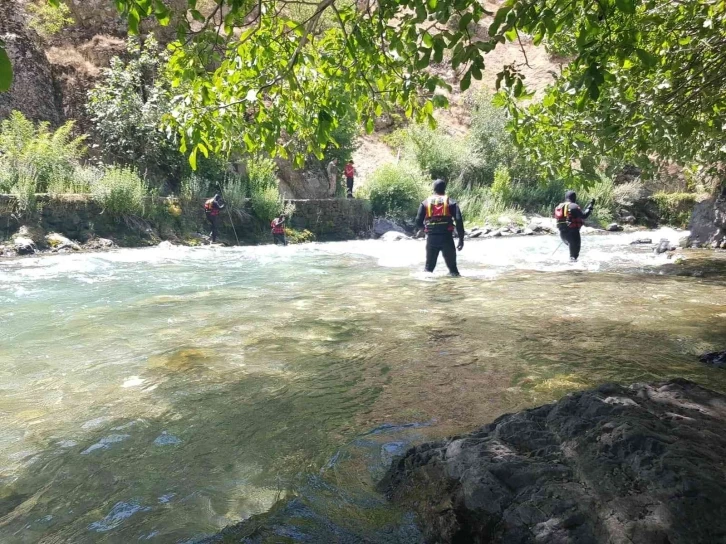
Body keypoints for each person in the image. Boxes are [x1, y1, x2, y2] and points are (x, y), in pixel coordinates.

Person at [415, 179, 465, 276]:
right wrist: (461, 239)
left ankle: (429, 290)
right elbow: (459, 221)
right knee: (454, 271)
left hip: (432, 239)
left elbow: (418, 222)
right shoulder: (451, 202)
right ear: (444, 189)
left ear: (433, 189)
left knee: (428, 271)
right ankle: (454, 289)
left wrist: (426, 230)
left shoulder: (425, 203)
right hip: (447, 239)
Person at [554, 190, 595, 261]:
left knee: (572, 257)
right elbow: (584, 216)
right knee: (574, 257)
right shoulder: (574, 206)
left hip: (563, 235)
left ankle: (570, 270)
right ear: (574, 198)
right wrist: (590, 207)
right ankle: (573, 271)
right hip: (573, 234)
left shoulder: (559, 207)